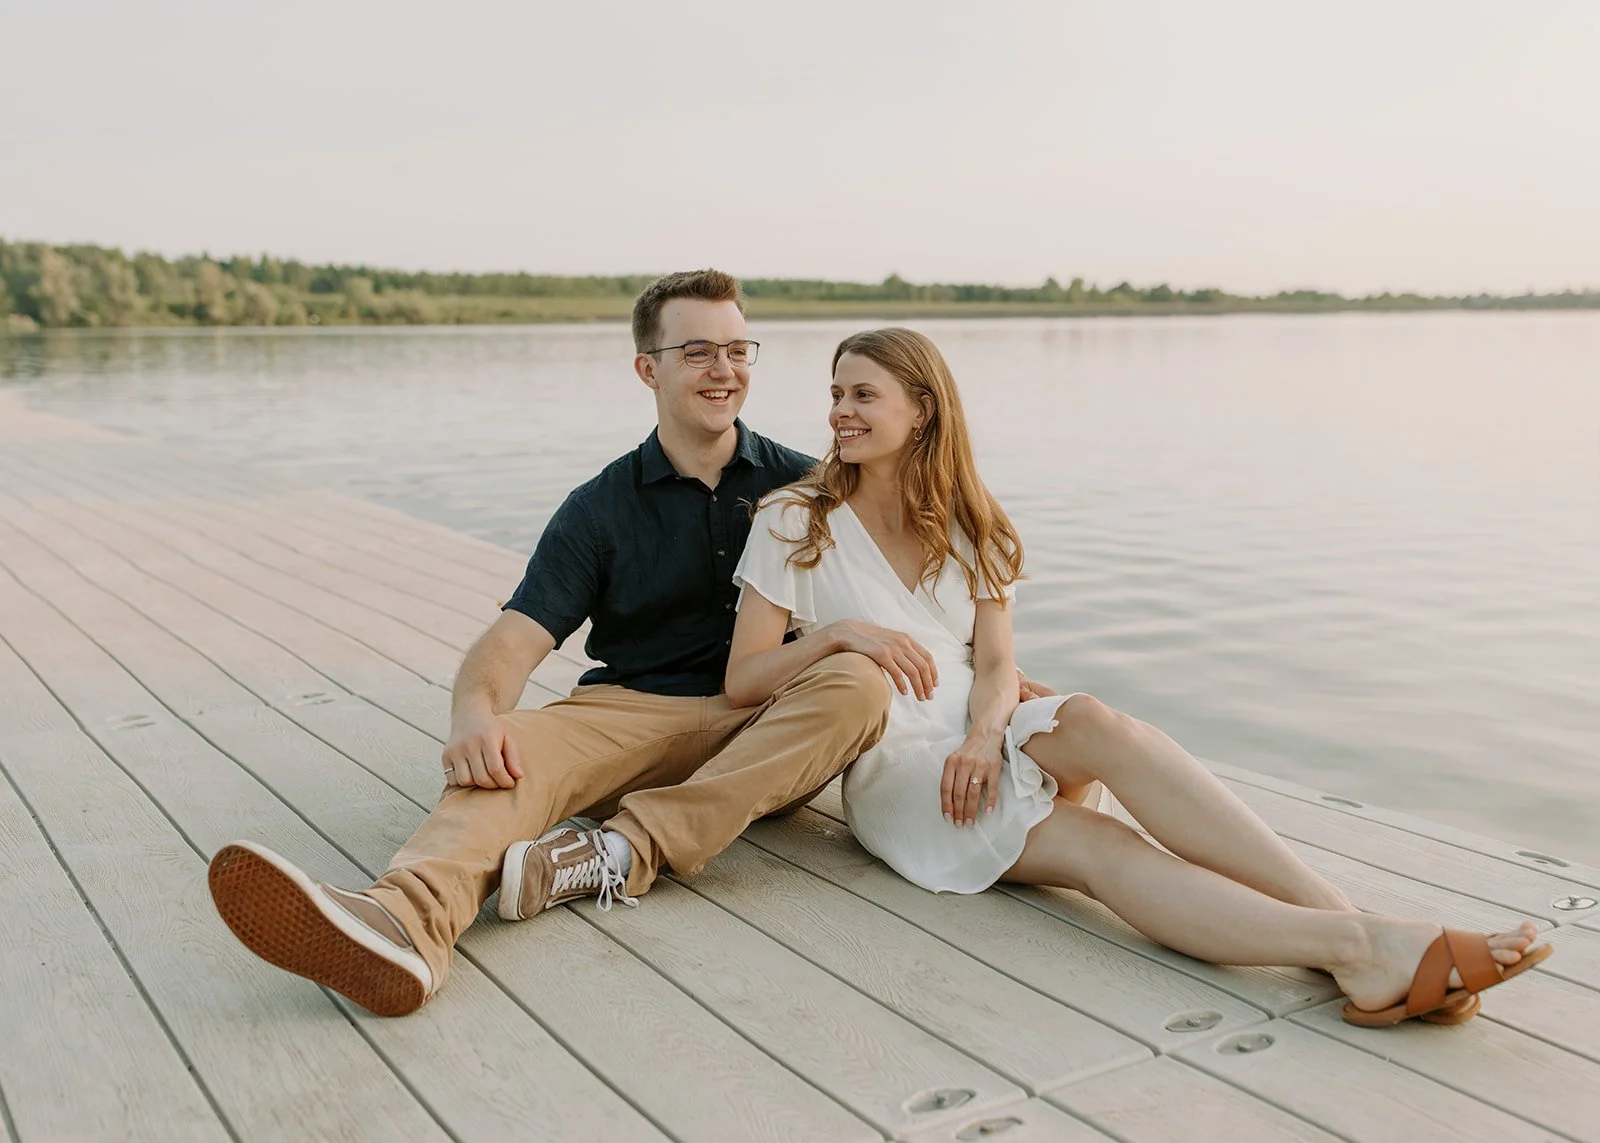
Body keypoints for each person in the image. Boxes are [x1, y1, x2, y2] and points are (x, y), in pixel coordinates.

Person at [725, 326, 1552, 1027]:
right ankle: (1360, 948)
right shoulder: (796, 519)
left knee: (1103, 724)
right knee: (1100, 844)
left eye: (863, 394)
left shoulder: (973, 523)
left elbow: (999, 664)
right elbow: (746, 678)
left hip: (979, 721)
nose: (839, 412)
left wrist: (986, 731)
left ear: (922, 408)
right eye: (836, 393)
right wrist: (838, 635)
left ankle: (1360, 924)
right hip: (902, 763)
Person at [208, 269, 919, 1017]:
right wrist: (475, 714)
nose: (725, 369)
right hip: (631, 715)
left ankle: (621, 851)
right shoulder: (598, 509)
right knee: (508, 754)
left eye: (739, 349)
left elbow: (899, 605)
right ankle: (404, 921)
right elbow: (514, 640)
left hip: (769, 726)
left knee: (858, 685)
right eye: (700, 350)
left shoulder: (806, 485)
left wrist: (997, 684)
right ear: (649, 368)